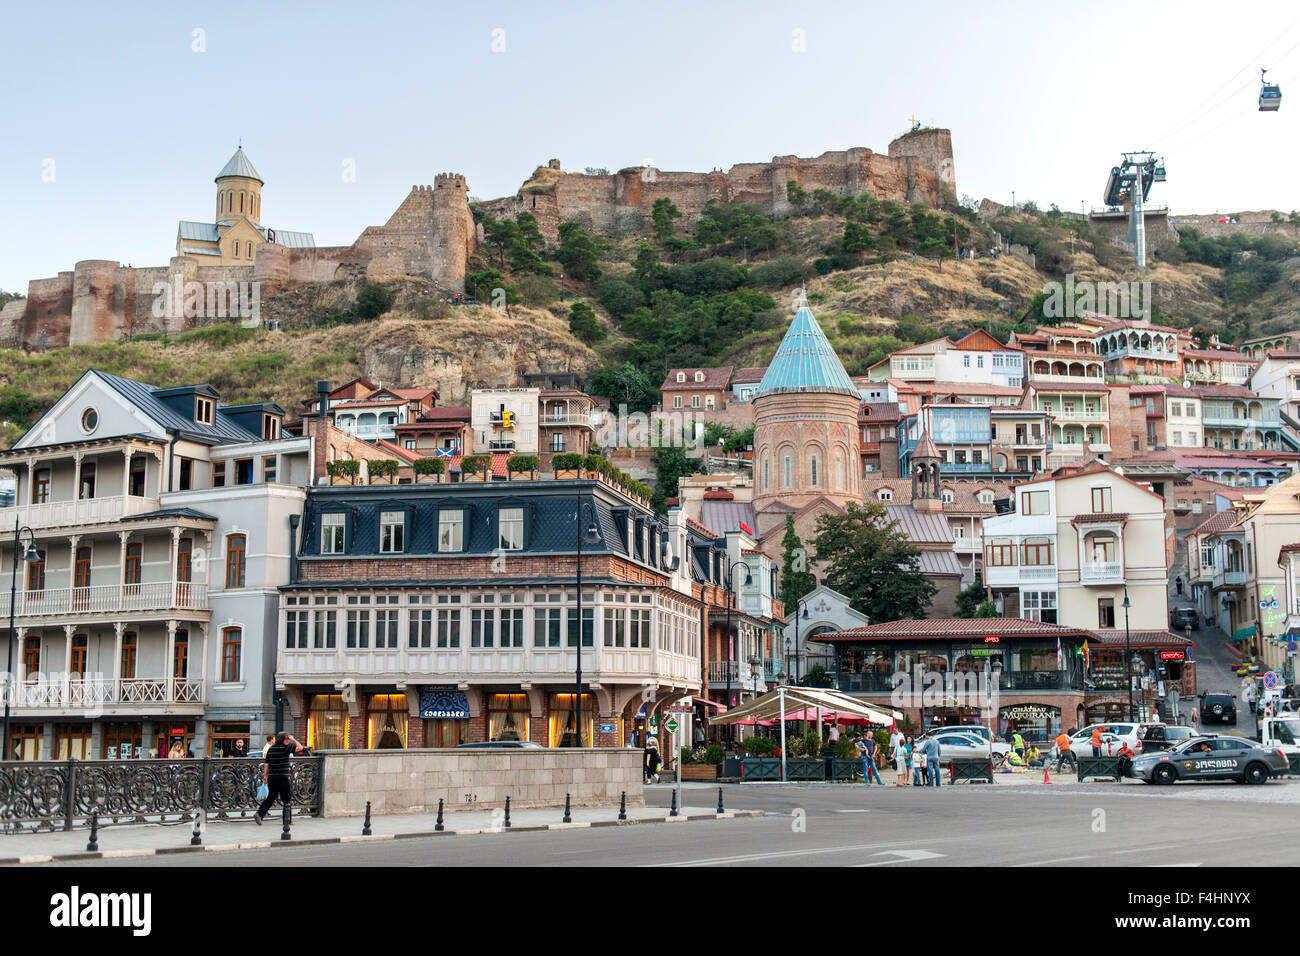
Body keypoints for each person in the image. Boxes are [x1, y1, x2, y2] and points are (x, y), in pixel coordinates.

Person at [255, 732, 304, 825]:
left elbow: (267, 763)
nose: (288, 741)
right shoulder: (285, 748)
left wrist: (265, 776)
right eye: (287, 740)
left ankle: (259, 813)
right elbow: (300, 747)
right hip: (283, 777)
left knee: (270, 798)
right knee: (287, 799)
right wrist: (293, 739)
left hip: (272, 777)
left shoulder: (271, 749)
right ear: (284, 740)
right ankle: (287, 820)